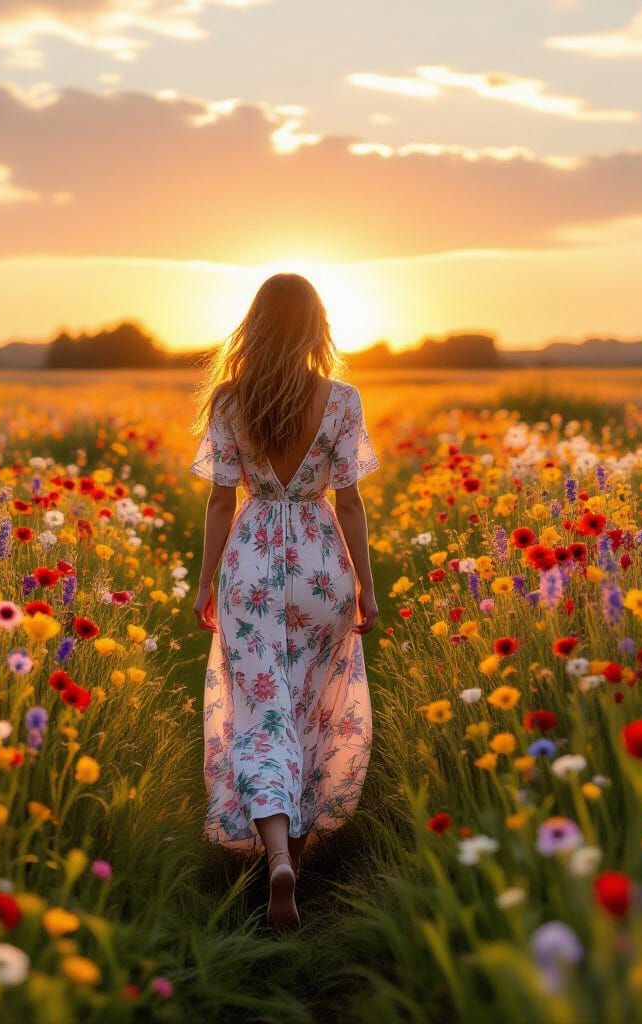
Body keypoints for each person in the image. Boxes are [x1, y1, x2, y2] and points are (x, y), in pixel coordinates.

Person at [190, 272, 380, 929]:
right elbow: (350, 500)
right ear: (314, 327)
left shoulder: (229, 401)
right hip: (321, 567)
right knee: (310, 708)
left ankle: (274, 856)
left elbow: (221, 499)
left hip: (250, 565)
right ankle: (294, 861)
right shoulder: (343, 399)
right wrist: (367, 584)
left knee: (261, 710)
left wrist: (205, 579)